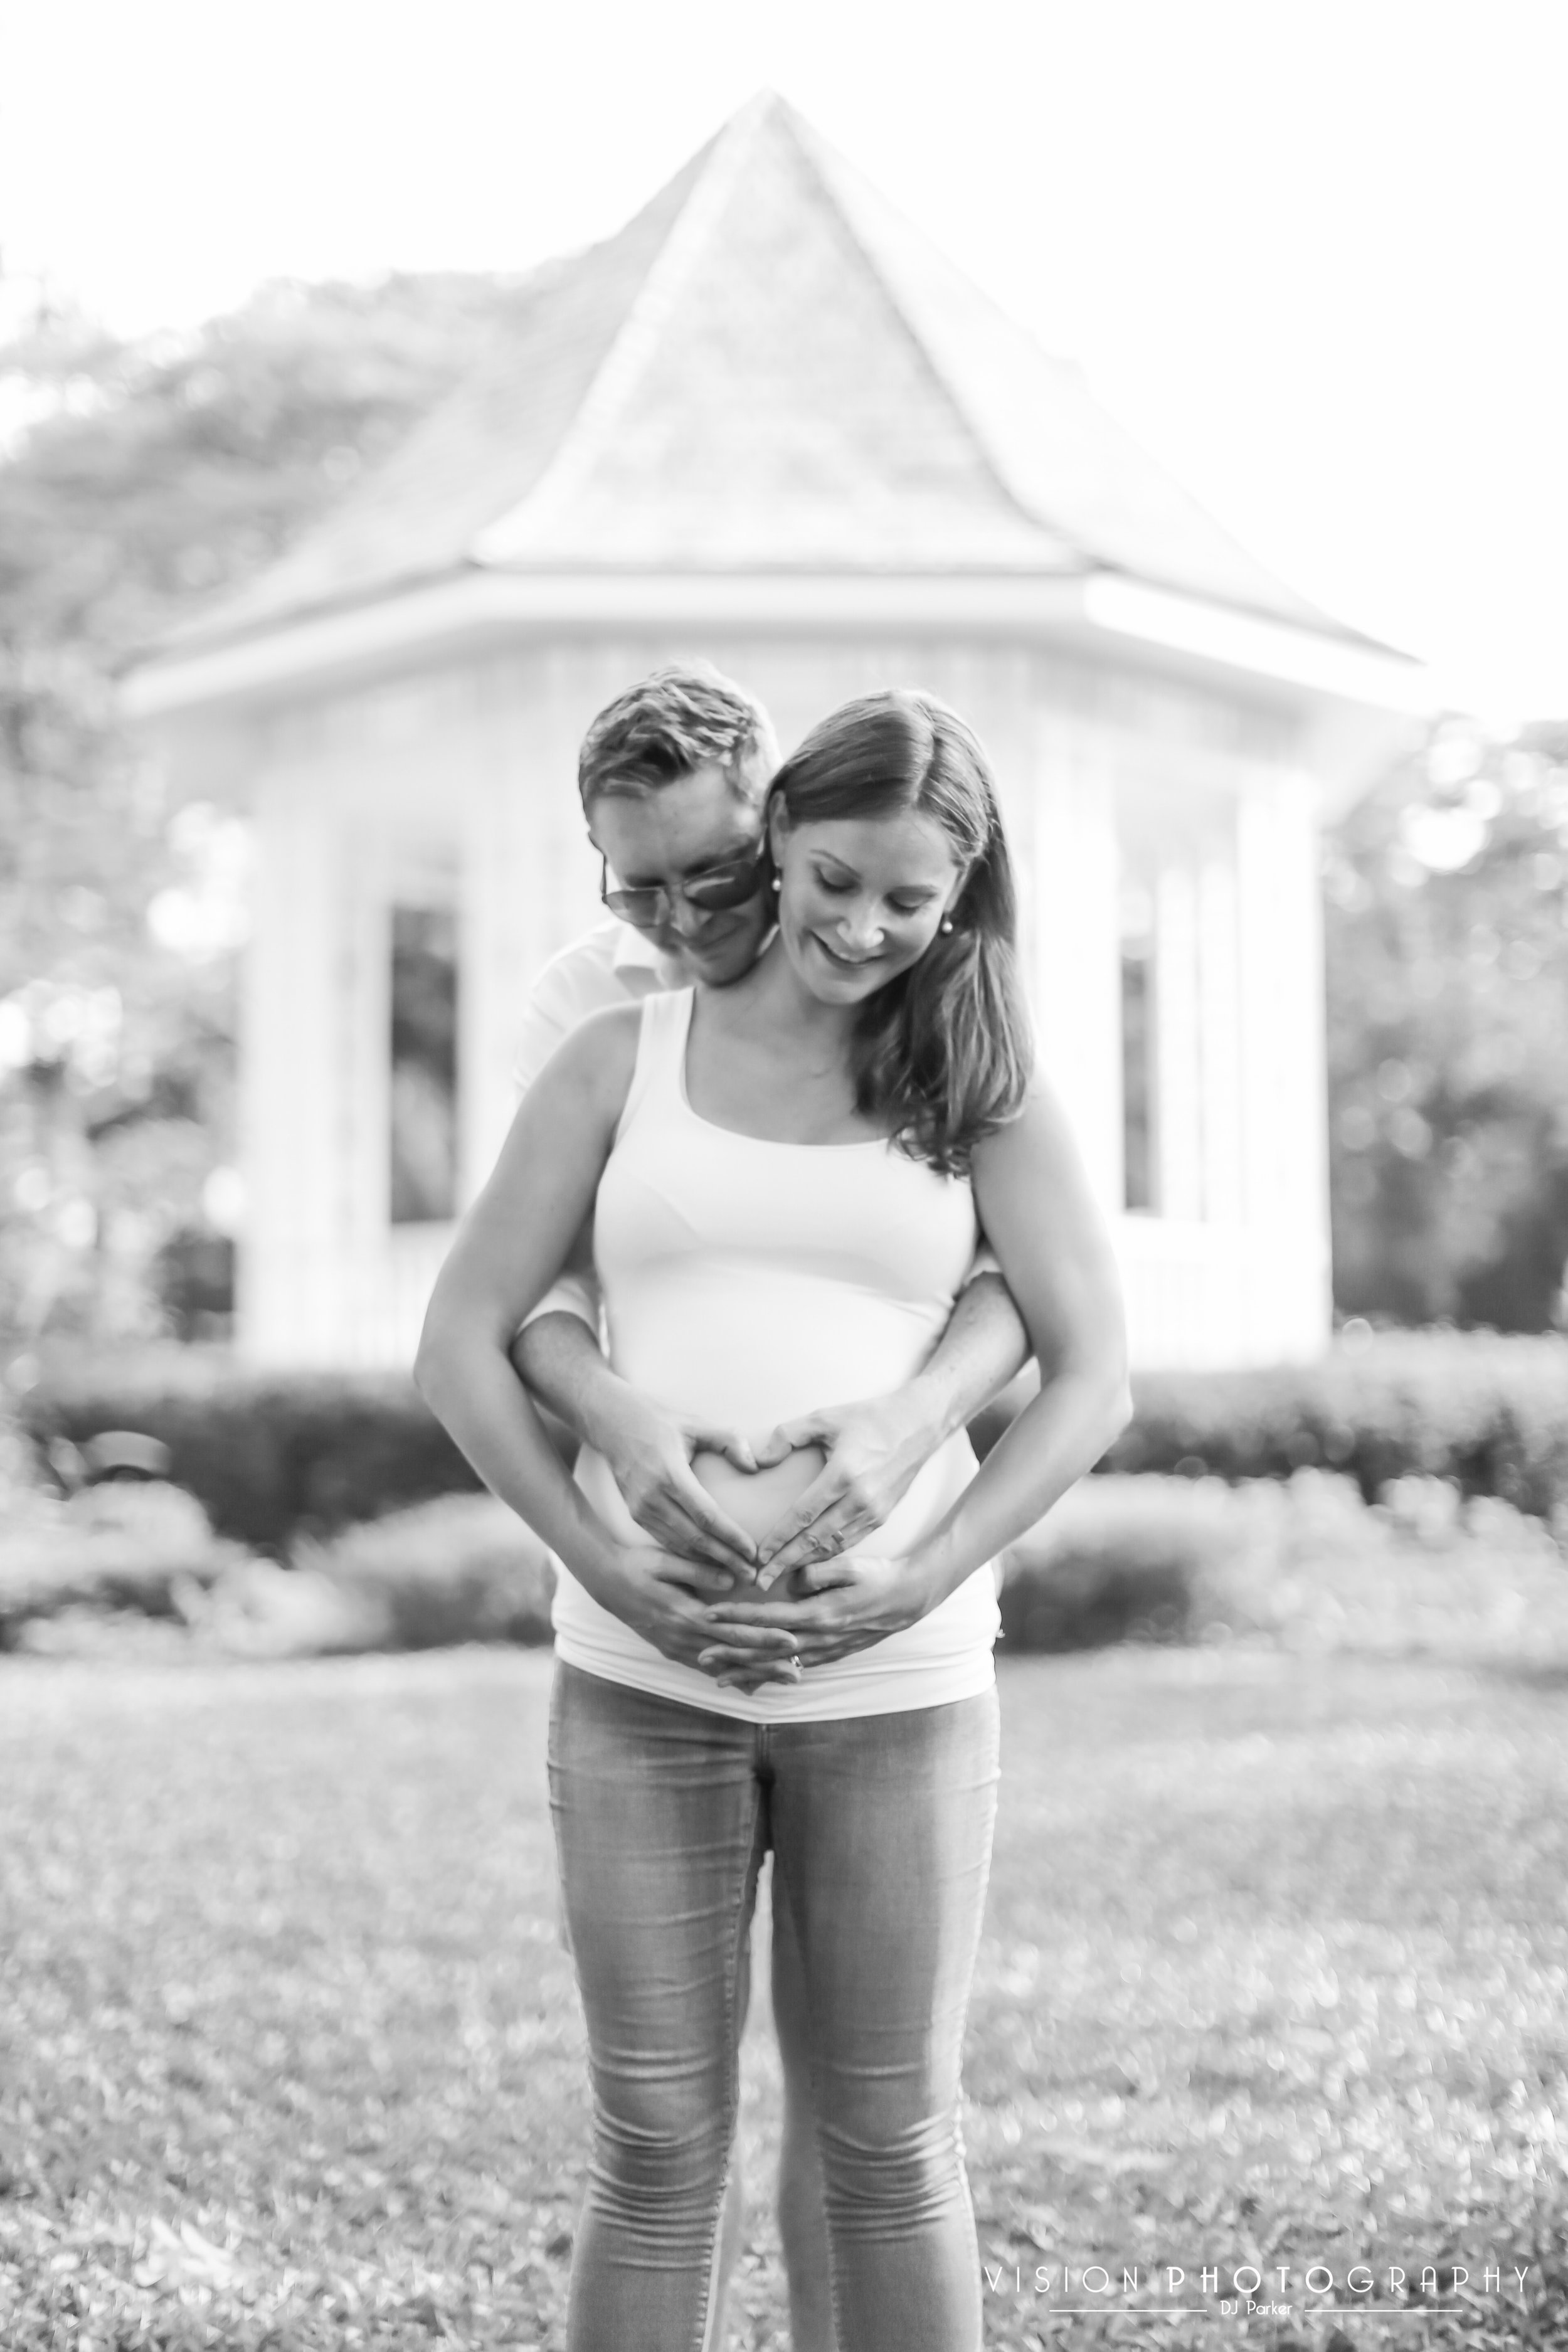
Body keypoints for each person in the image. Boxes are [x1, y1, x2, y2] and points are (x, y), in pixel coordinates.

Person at [416, 687, 1130, 2352]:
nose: (859, 926)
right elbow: (485, 1328)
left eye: (902, 898)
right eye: (832, 886)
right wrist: (608, 1564)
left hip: (897, 1687)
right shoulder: (604, 1035)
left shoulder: (972, 1059)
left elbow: (1084, 1353)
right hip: (638, 1679)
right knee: (656, 2146)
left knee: (887, 2142)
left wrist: (917, 1558)